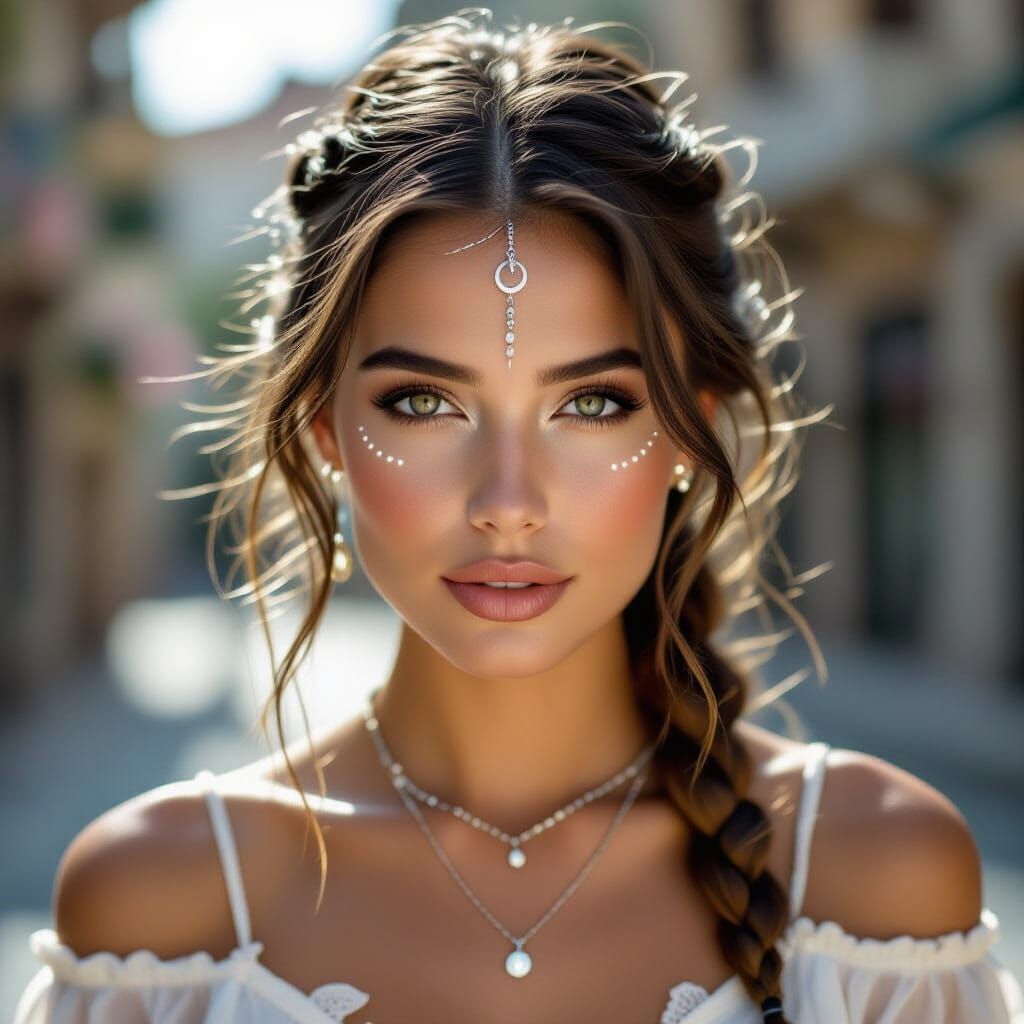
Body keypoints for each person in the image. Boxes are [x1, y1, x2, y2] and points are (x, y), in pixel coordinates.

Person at [15, 9, 1024, 1024]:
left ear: (689, 429)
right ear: (323, 428)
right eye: (423, 403)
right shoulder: (158, 908)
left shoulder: (880, 877)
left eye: (592, 404)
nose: (507, 503)